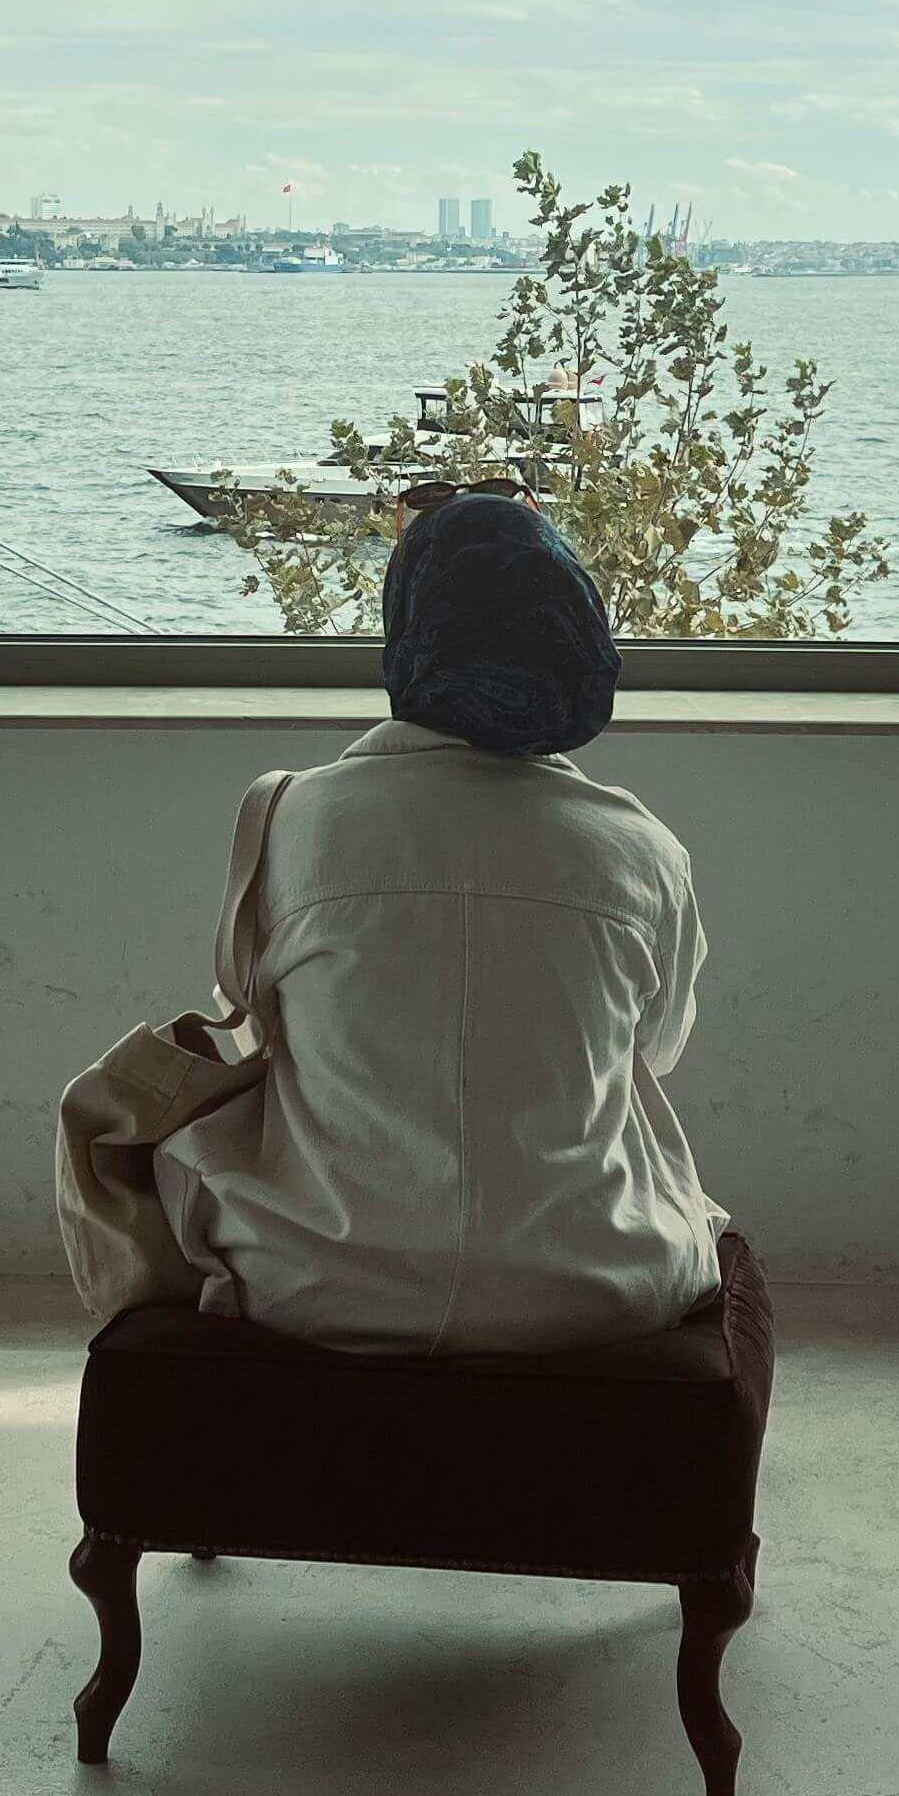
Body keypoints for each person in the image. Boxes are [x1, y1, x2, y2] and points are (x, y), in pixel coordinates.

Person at [154, 485, 725, 1353]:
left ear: (407, 632)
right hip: (598, 1290)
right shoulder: (644, 851)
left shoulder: (287, 818)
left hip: (308, 1283)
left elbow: (258, 1032)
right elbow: (654, 1052)